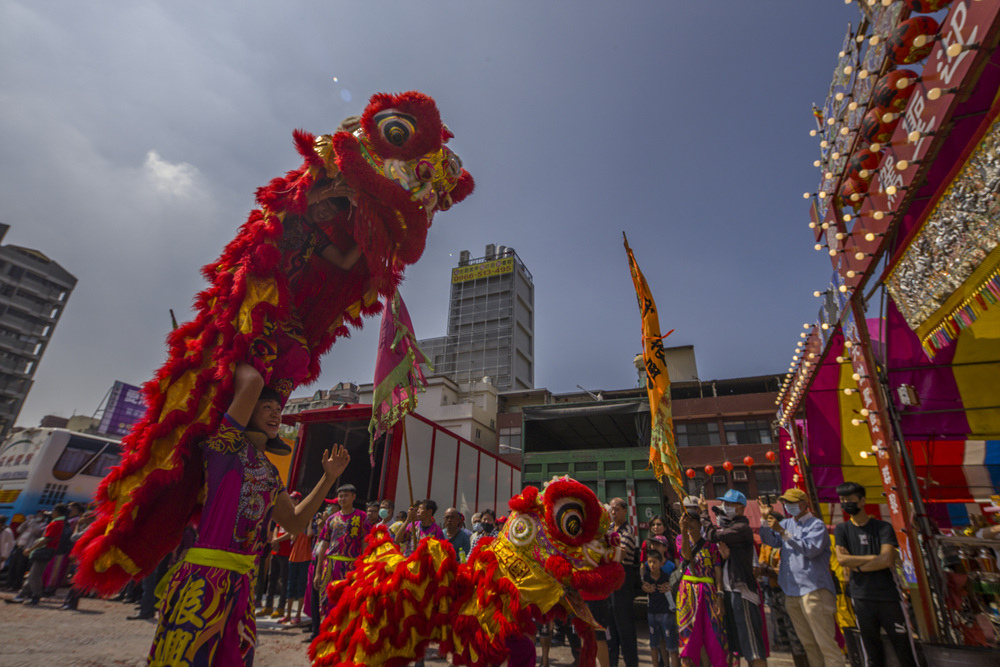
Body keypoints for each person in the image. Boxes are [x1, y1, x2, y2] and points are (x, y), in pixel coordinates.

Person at [147, 362, 351, 666]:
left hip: (241, 585)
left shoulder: (268, 471)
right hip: (203, 582)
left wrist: (328, 479)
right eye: (266, 406)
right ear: (244, 407)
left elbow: (294, 521)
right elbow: (252, 379)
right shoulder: (224, 447)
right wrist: (240, 350)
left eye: (278, 409)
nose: (275, 414)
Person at [833, 481, 917, 667]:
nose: (846, 503)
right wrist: (874, 557)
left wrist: (859, 565)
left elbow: (887, 559)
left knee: (903, 647)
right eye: (843, 500)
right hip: (861, 597)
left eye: (850, 500)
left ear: (862, 501)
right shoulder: (842, 529)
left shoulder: (882, 528)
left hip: (888, 596)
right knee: (871, 652)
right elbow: (842, 560)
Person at [758, 488, 839, 667]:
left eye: (791, 502)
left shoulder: (816, 525)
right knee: (808, 644)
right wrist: (764, 521)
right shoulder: (787, 524)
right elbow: (770, 541)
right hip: (792, 592)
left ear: (803, 503)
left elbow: (810, 550)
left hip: (814, 590)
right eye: (786, 503)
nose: (788, 506)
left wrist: (783, 532)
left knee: (825, 644)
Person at [699, 491, 767, 666]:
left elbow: (712, 536)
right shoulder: (732, 530)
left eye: (728, 504)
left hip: (742, 592)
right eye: (723, 504)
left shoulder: (741, 528)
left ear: (740, 507)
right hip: (731, 591)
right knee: (736, 646)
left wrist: (704, 512)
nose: (725, 508)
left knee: (753, 648)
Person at [675, 496, 727, 667]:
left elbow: (717, 570)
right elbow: (687, 556)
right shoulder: (680, 540)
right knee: (688, 636)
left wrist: (719, 594)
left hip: (709, 592)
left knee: (713, 634)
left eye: (692, 522)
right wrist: (683, 532)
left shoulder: (711, 545)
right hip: (687, 592)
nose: (689, 525)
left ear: (699, 523)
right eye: (686, 522)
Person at [314, 483, 370, 618]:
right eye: (340, 496)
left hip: (351, 566)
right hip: (330, 566)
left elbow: (365, 543)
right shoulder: (331, 519)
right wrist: (318, 571)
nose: (342, 499)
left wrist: (364, 566)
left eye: (346, 496)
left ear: (353, 497)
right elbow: (323, 545)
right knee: (327, 601)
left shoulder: (362, 517)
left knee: (348, 602)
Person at [8, 503, 67, 605]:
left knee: (34, 576)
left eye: (53, 511)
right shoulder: (58, 523)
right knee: (32, 574)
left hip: (45, 551)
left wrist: (31, 549)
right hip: (45, 551)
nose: (52, 513)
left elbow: (46, 539)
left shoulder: (56, 523)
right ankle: (22, 595)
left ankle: (36, 595)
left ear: (57, 512)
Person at [607, 497, 639, 667]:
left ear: (625, 511)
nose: (613, 512)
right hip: (610, 580)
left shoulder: (627, 532)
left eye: (617, 509)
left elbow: (620, 555)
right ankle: (612, 662)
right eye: (612, 509)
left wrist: (606, 550)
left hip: (623, 580)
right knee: (611, 625)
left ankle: (631, 663)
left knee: (624, 626)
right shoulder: (610, 529)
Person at [643, 547, 679, 667]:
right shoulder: (646, 579)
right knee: (654, 645)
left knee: (672, 646)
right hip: (652, 613)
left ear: (660, 563)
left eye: (655, 562)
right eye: (650, 562)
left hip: (666, 614)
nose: (652, 565)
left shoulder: (666, 578)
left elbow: (674, 590)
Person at [282, 492, 311, 626]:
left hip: (305, 558)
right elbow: (292, 537)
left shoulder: (311, 523)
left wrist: (309, 519)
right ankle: (287, 614)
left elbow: (310, 534)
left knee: (301, 586)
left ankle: (298, 614)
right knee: (290, 586)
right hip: (293, 557)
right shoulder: (297, 524)